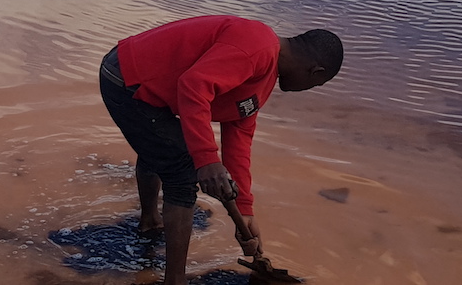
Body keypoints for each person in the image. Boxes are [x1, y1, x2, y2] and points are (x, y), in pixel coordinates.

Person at [99, 15, 343, 285]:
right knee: (182, 170)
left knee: (161, 148)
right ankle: (175, 280)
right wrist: (206, 160)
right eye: (316, 85)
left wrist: (245, 209)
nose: (308, 89)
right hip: (127, 77)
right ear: (316, 72)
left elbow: (239, 136)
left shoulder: (264, 76)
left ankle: (150, 222)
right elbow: (193, 86)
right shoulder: (257, 46)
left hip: (144, 83)